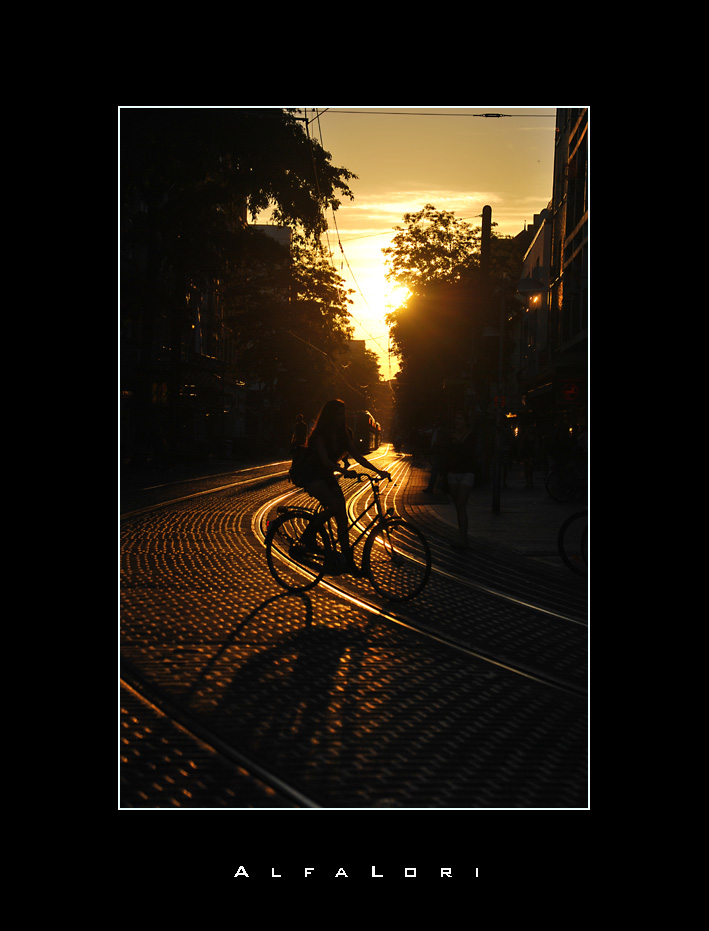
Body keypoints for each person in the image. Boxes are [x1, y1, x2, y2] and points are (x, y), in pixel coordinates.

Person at [299, 399, 391, 574]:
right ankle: (309, 534)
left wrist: (378, 471)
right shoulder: (320, 435)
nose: (343, 417)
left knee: (342, 517)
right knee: (334, 506)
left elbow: (359, 457)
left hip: (326, 475)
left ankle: (347, 560)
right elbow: (324, 460)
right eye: (339, 414)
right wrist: (343, 471)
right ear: (331, 415)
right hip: (311, 474)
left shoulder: (342, 435)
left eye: (344, 414)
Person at [443, 411, 479, 549]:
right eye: (456, 419)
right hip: (453, 473)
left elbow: (470, 453)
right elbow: (448, 454)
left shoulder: (471, 436)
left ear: (466, 421)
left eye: (460, 418)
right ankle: (461, 534)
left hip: (467, 472)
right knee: (458, 505)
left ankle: (463, 537)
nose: (457, 421)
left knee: (461, 503)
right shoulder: (451, 436)